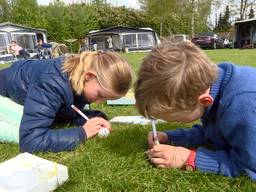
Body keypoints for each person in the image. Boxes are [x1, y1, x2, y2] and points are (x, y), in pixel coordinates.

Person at [134, 41, 256, 180]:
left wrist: (190, 158)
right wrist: (170, 137)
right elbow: (215, 133)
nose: (173, 121)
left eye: (175, 119)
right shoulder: (212, 85)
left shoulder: (243, 105)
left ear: (204, 101)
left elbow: (250, 166)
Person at [0, 51, 132, 153]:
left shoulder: (78, 76)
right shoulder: (52, 83)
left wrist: (96, 117)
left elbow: (66, 111)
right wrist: (83, 132)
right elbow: (30, 140)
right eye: (99, 95)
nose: (98, 102)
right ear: (89, 76)